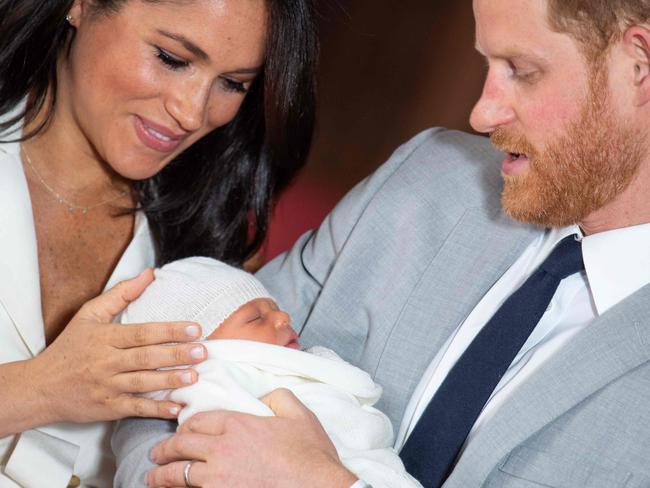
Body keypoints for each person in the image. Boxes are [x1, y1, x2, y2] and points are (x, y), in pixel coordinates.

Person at [115, 0, 650, 487]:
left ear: (639, 66)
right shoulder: (430, 175)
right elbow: (173, 380)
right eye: (489, 64)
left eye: (522, 72)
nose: (482, 116)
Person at [0, 0, 317, 485]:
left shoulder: (214, 254)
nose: (191, 112)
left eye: (233, 83)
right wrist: (39, 390)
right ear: (80, 6)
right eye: (171, 58)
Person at [120, 257, 420, 488]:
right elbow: (240, 451)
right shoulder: (212, 379)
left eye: (275, 307)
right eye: (255, 318)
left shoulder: (292, 367)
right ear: (195, 352)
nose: (283, 317)